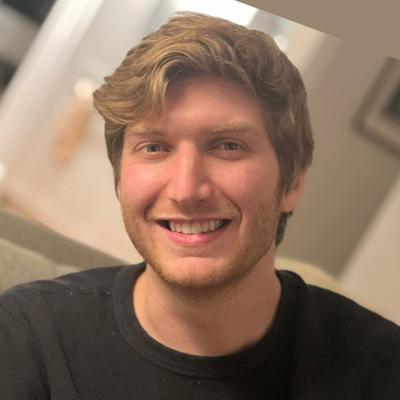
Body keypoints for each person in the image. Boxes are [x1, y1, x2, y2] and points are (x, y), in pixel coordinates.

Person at [1, 12, 399, 399]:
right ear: (120, 177)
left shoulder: (382, 371)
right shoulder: (27, 339)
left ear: (292, 182)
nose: (187, 190)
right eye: (154, 147)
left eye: (228, 146)